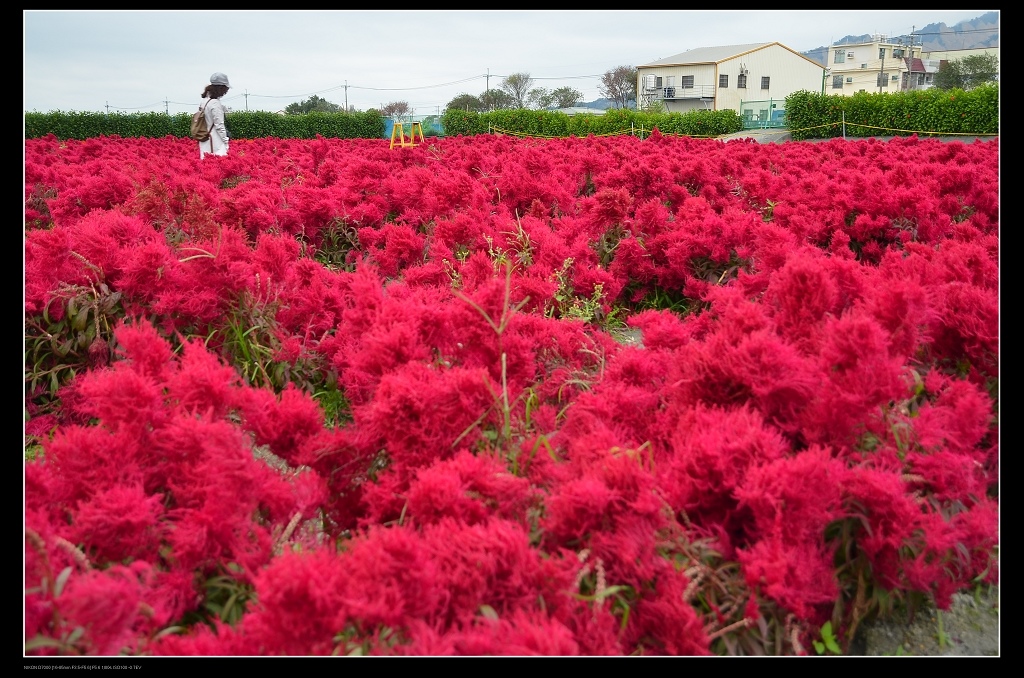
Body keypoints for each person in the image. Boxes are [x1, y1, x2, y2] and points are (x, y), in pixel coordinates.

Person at [198, 72, 231, 158]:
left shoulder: (204, 102)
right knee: (216, 164)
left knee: (205, 163)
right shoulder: (215, 103)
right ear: (221, 88)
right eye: (225, 89)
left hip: (204, 138)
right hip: (215, 141)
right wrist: (226, 141)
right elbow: (219, 125)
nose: (226, 92)